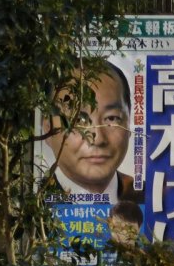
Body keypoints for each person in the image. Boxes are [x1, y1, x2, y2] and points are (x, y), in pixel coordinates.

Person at [43, 61, 143, 205]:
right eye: (78, 119)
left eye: (111, 118)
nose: (98, 139)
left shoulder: (154, 199)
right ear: (48, 127)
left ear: (129, 123)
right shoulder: (33, 204)